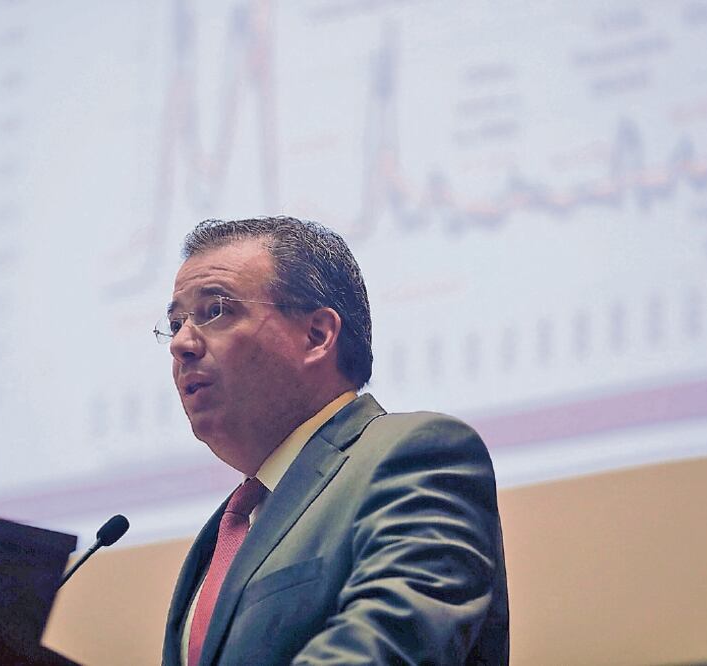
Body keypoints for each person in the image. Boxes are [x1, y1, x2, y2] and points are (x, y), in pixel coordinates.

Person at [157, 216, 508, 665]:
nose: (182, 343)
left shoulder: (416, 455)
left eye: (216, 311)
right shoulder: (227, 531)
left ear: (317, 335)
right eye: (175, 322)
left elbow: (391, 643)